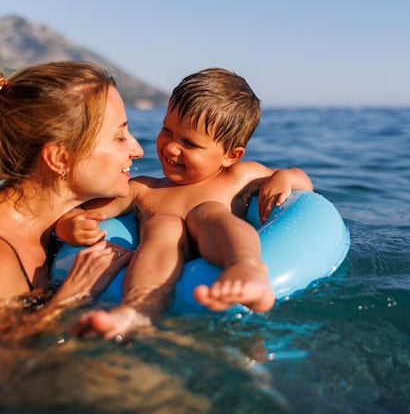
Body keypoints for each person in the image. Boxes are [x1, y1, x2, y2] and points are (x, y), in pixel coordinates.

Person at [57, 68, 314, 339]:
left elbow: (304, 184)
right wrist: (70, 227)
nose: (170, 147)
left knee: (208, 212)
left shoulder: (239, 177)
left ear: (230, 155)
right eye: (167, 130)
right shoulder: (141, 189)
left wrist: (284, 177)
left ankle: (247, 268)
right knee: (164, 224)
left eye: (189, 143)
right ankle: (137, 311)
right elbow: (78, 213)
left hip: (220, 255)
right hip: (161, 277)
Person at [0, 61, 141, 317]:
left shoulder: (61, 226)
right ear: (60, 158)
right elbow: (12, 356)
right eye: (120, 137)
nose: (138, 150)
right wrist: (73, 295)